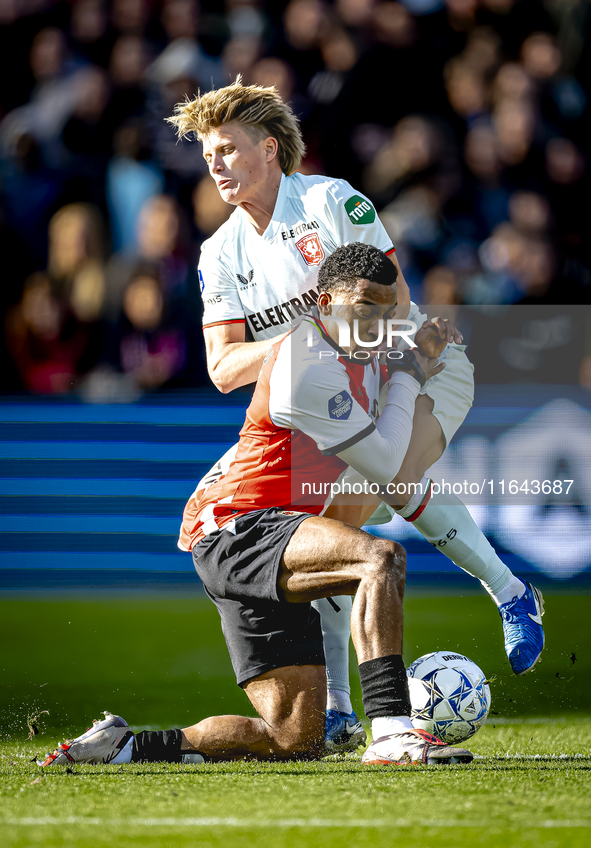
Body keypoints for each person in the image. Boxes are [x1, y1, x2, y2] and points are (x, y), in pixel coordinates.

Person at [165, 79, 545, 747]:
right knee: (335, 521)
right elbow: (222, 368)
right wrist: (303, 340)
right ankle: (343, 706)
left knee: (381, 482)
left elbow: (392, 304)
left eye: (227, 148)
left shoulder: (331, 201)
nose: (215, 164)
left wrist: (334, 346)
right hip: (327, 383)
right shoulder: (218, 254)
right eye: (207, 154)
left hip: (422, 361)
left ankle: (508, 591)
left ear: (270, 148)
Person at [41, 244, 474, 768]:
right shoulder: (305, 363)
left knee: (294, 738)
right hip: (239, 526)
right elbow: (385, 463)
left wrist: (428, 341)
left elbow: (408, 345)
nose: (376, 325)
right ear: (324, 301)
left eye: (387, 312)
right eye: (364, 310)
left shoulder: (363, 338)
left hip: (260, 532)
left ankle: (125, 745)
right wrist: (411, 372)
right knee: (378, 560)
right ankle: (392, 730)